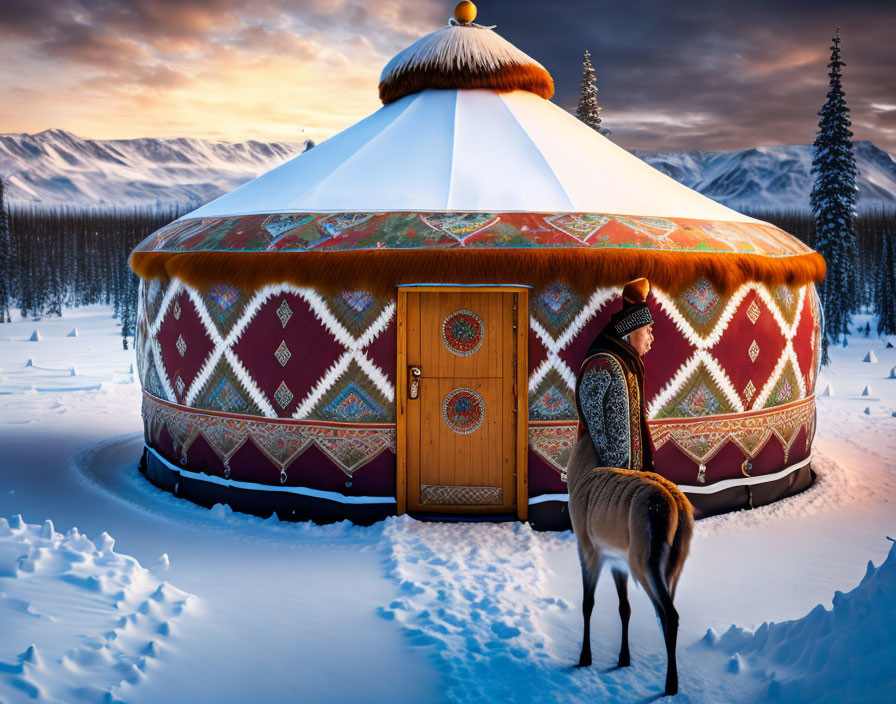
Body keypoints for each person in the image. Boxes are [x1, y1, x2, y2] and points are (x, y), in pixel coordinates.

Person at [573, 277, 656, 473]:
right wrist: (610, 464)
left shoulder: (628, 364)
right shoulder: (602, 365)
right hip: (610, 477)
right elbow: (593, 420)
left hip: (630, 474)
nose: (651, 340)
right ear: (632, 332)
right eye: (648, 331)